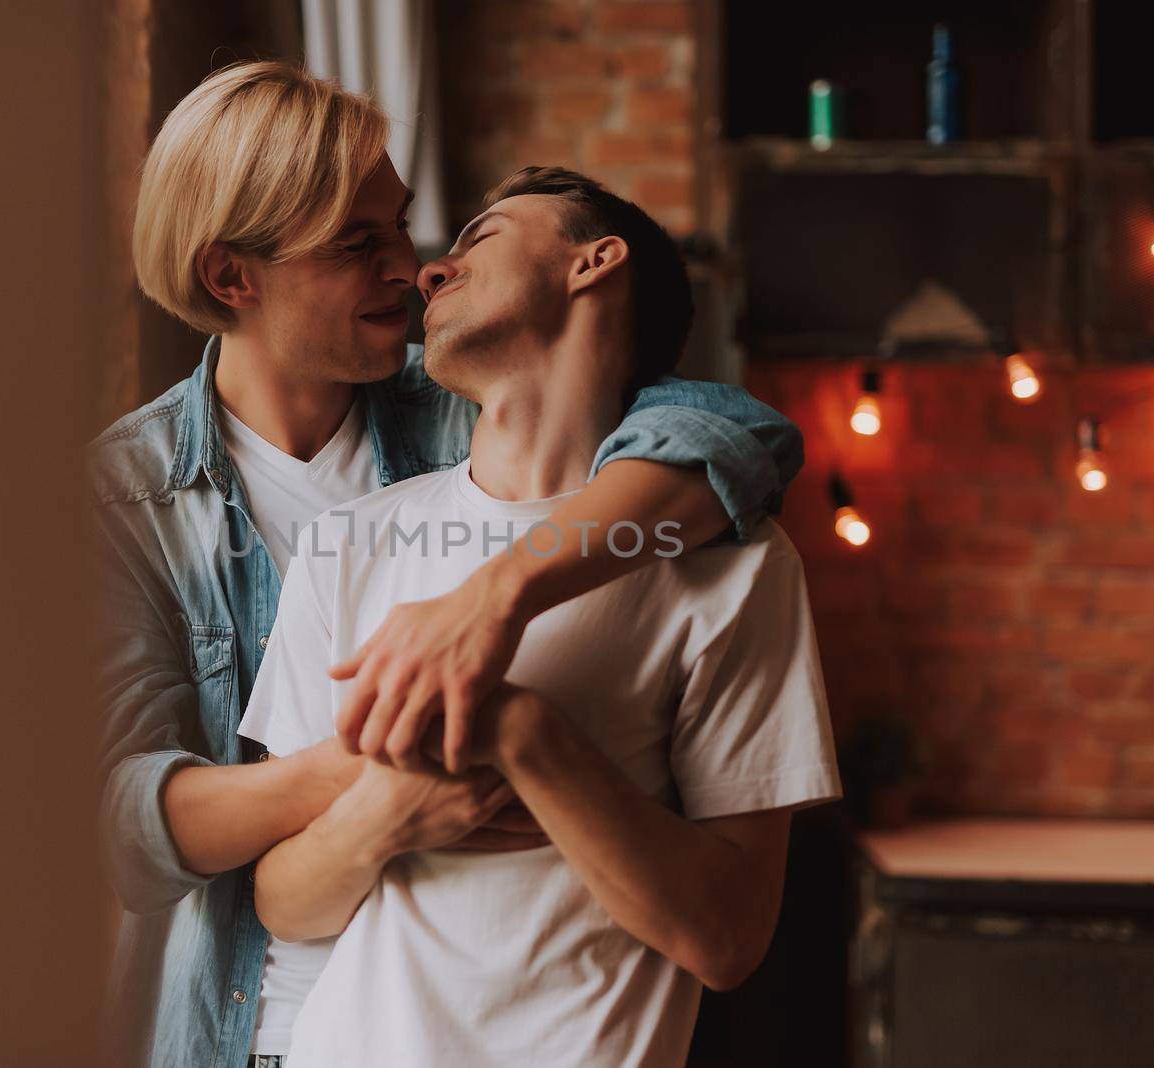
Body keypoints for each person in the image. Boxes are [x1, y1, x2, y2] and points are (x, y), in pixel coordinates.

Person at [88, 61, 803, 1068]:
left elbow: (735, 433)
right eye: (356, 242)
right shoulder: (127, 497)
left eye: (403, 224)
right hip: (240, 1019)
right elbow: (122, 820)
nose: (410, 264)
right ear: (231, 278)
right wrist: (402, 756)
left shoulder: (473, 401)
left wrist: (493, 598)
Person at [237, 167, 841, 1067]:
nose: (430, 271)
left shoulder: (734, 566)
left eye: (480, 238)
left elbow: (726, 942)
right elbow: (284, 899)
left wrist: (525, 735)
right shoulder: (347, 543)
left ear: (595, 262)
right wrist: (392, 816)